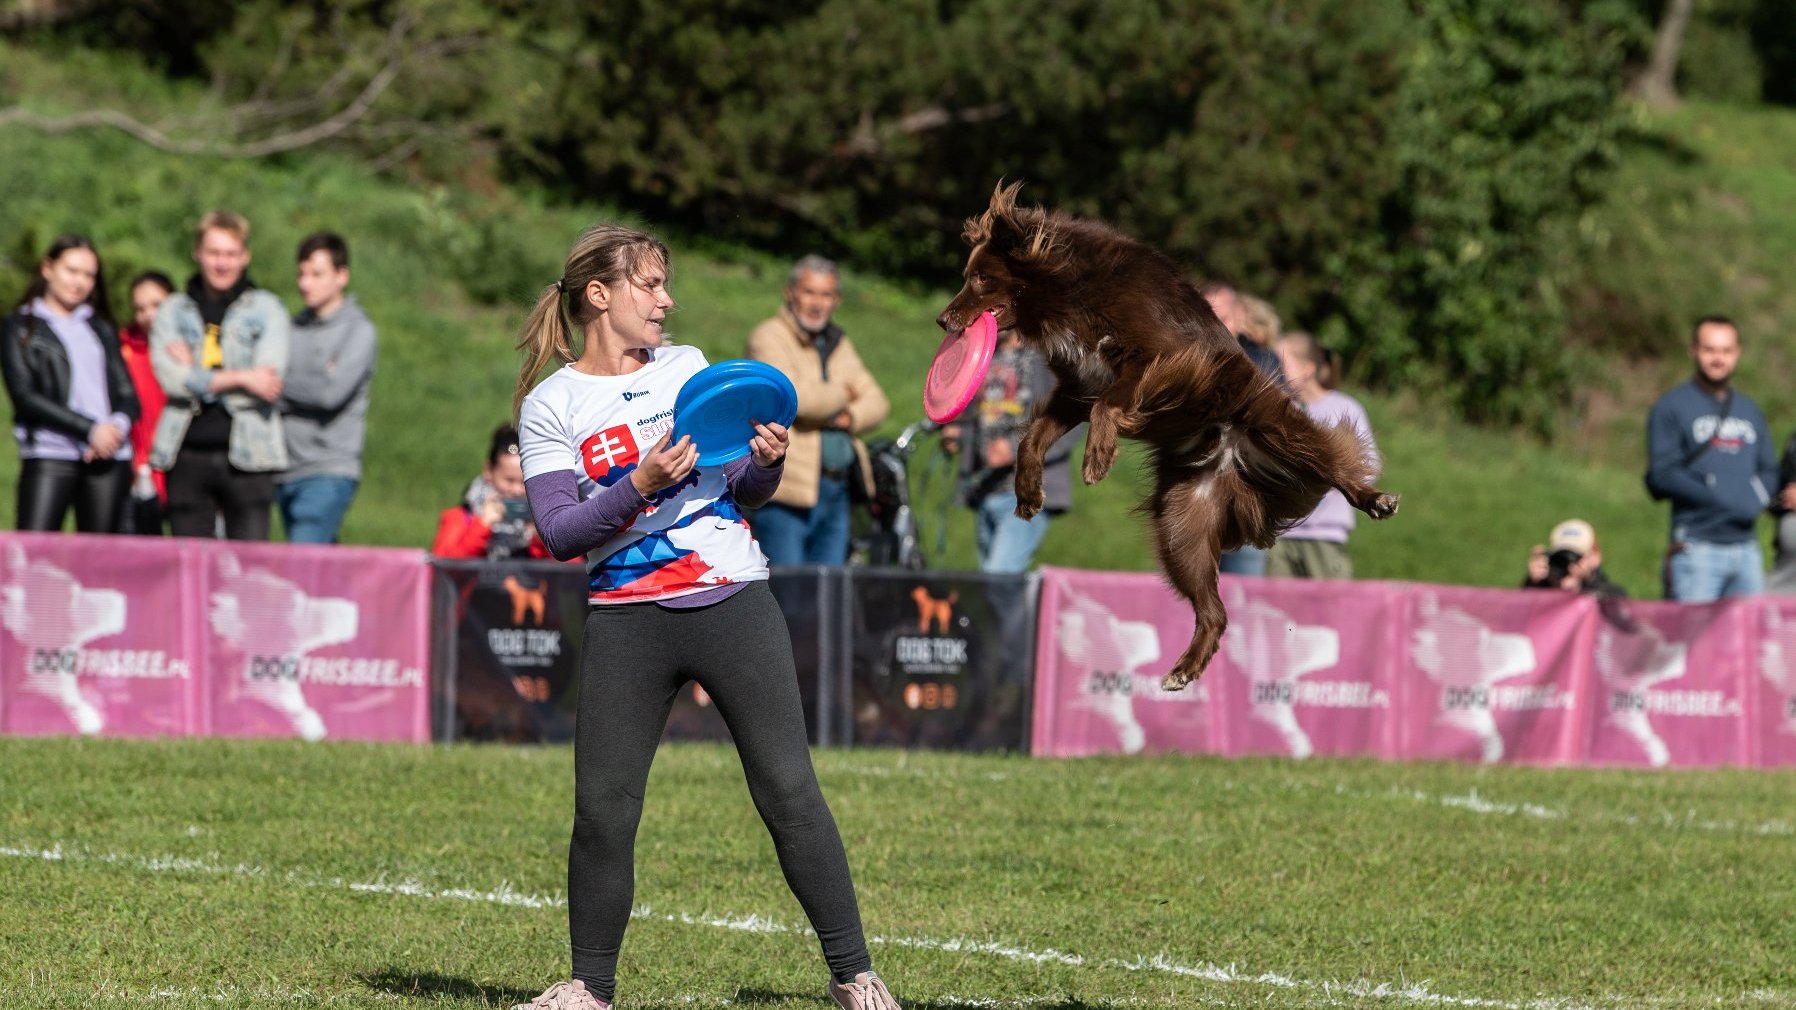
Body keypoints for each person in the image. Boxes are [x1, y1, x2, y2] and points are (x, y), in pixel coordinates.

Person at [510, 224, 903, 1010]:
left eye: (665, 285)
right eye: (650, 286)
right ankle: (589, 989)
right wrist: (641, 482)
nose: (667, 300)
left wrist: (762, 461)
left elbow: (739, 490)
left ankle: (856, 977)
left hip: (733, 600)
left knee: (790, 791)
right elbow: (559, 532)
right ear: (600, 295)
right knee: (603, 812)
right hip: (626, 620)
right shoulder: (551, 404)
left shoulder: (689, 369)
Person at [149, 210, 289, 540]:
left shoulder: (267, 310)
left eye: (230, 254)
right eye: (214, 253)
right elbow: (170, 379)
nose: (222, 263)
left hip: (249, 458)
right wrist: (242, 377)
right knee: (192, 566)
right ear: (198, 253)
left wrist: (195, 374)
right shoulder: (172, 310)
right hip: (186, 454)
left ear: (245, 257)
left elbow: (268, 380)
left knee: (247, 569)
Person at [746, 254, 889, 566]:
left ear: (836, 300)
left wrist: (849, 416)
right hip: (787, 492)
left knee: (827, 596)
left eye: (826, 294)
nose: (817, 303)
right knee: (791, 594)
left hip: (839, 490)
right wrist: (845, 393)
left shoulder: (837, 341)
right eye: (809, 292)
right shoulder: (767, 337)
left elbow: (878, 401)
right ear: (791, 292)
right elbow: (795, 397)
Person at [0, 234, 139, 533]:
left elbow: (128, 393)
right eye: (72, 271)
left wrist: (115, 428)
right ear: (48, 268)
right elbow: (25, 397)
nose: (80, 282)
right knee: (34, 552)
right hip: (51, 453)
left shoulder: (99, 326)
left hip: (106, 455)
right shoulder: (19, 327)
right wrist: (89, 429)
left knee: (101, 560)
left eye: (89, 275)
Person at [1644, 315, 1775, 602]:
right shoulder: (1671, 407)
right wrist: (1716, 493)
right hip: (1697, 546)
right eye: (1710, 350)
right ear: (1694, 351)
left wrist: (1755, 497)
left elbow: (1768, 470)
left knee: (1745, 643)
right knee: (1694, 641)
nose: (1719, 359)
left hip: (1746, 548)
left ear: (1737, 354)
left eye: (1726, 351)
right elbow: (1662, 472)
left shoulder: (1749, 410)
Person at [941, 331, 1073, 572]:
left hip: (1024, 490)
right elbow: (980, 415)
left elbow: (1074, 412)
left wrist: (1015, 448)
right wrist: (957, 433)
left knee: (998, 578)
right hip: (986, 489)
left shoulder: (1048, 356)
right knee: (993, 587)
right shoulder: (985, 358)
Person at [277, 232, 377, 544]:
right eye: (302, 273)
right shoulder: (291, 328)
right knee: (320, 566)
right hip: (284, 468)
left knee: (304, 560)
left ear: (341, 276)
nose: (305, 283)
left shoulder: (360, 331)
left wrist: (277, 385)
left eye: (317, 274)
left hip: (328, 469)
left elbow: (328, 394)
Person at [1267, 332, 1378, 579]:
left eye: (1280, 363)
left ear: (1307, 369)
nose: (1272, 369)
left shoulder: (1345, 409)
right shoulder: (1276, 410)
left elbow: (1368, 467)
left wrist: (1323, 481)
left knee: (1328, 613)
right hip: (1281, 536)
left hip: (1324, 536)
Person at [1200, 279, 1283, 575]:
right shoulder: (1187, 358)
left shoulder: (1262, 359)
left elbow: (1265, 418)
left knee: (1245, 595)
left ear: (1238, 318)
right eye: (1208, 318)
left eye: (1222, 318)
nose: (1215, 326)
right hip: (1198, 497)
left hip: (1246, 497)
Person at [431, 424, 550, 560]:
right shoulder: (461, 518)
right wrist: (483, 526)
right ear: (489, 471)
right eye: (509, 480)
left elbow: (573, 574)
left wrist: (543, 538)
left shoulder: (547, 520)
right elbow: (443, 568)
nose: (517, 490)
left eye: (525, 482)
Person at [120, 270, 174, 533]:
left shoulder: (190, 352)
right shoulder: (124, 351)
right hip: (137, 468)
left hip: (182, 468)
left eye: (157, 305)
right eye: (140, 309)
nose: (149, 315)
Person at [1523, 518, 1634, 629]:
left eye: (1576, 557)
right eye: (1560, 558)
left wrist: (1579, 586)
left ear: (1595, 557)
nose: (1568, 566)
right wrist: (1533, 584)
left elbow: (1621, 627)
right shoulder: (1542, 589)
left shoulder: (1611, 594)